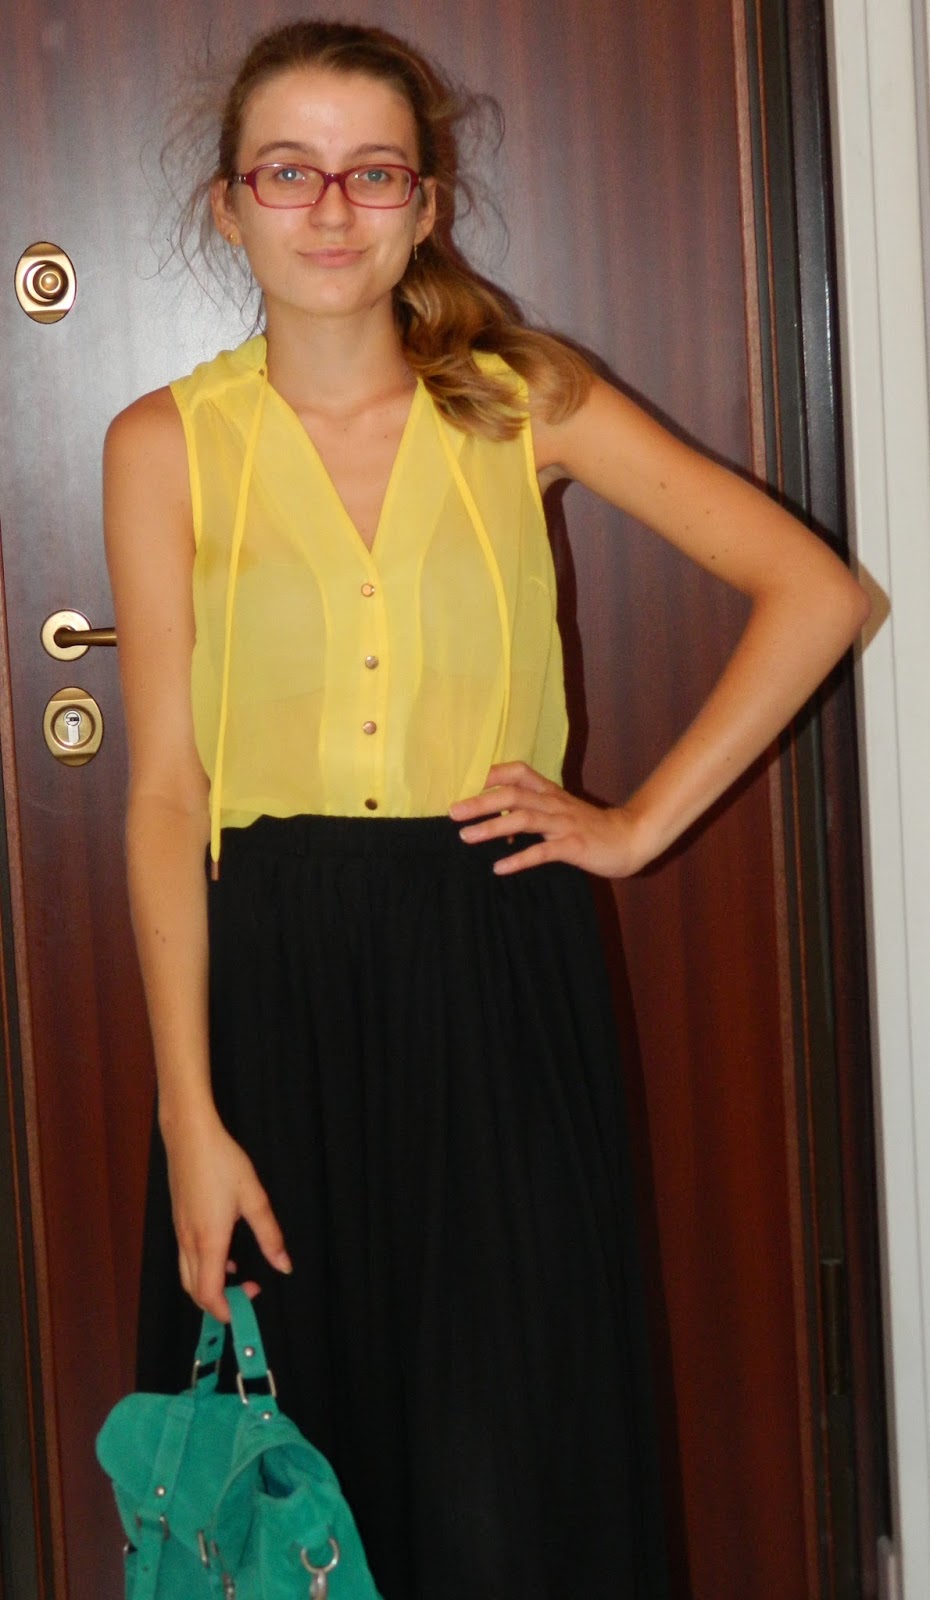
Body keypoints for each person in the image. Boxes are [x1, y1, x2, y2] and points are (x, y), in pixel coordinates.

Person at [103, 17, 869, 1600]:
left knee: (506, 1459)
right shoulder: (166, 443)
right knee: (288, 1465)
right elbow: (167, 793)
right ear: (228, 205)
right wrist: (188, 1116)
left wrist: (634, 826)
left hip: (495, 962)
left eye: (372, 172)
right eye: (288, 172)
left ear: (426, 204)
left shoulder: (524, 401)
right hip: (274, 988)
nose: (330, 209)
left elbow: (817, 595)